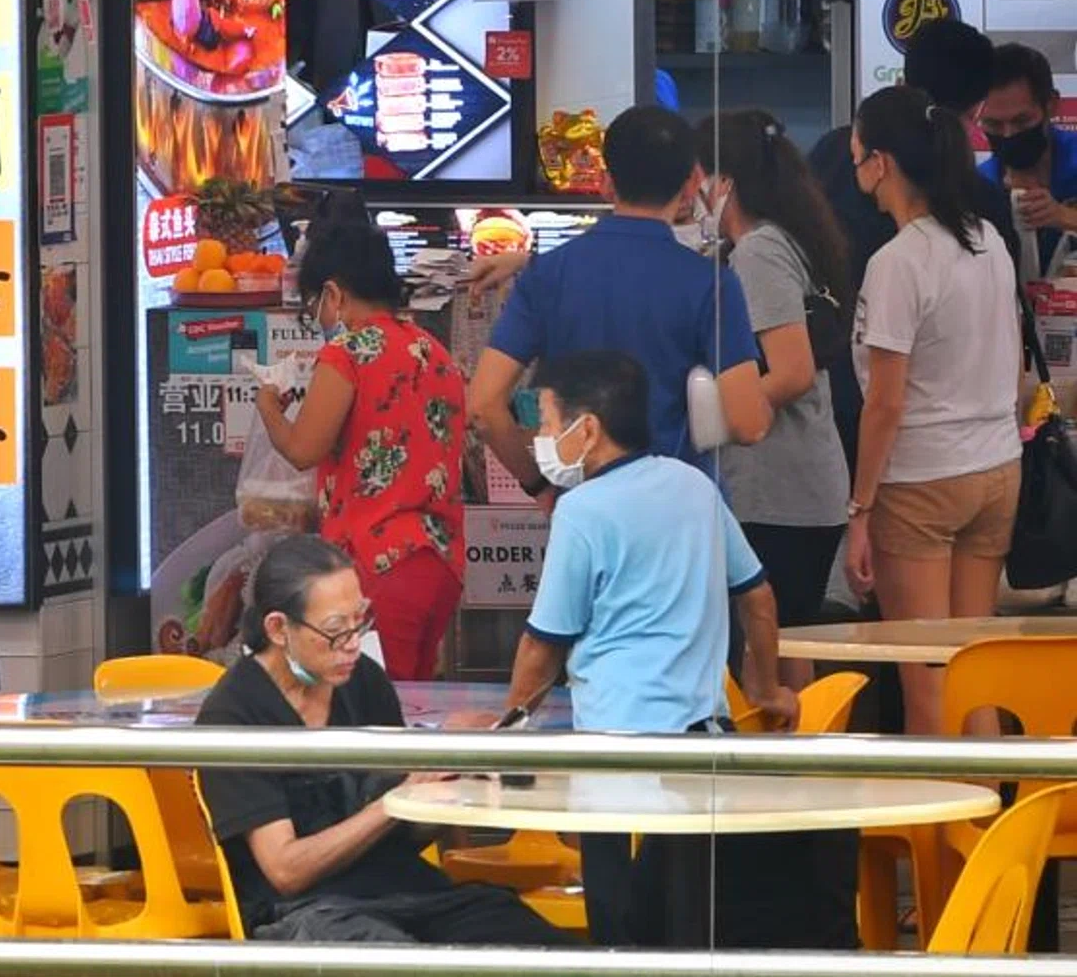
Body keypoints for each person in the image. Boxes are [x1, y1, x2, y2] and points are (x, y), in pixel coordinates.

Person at [506, 351, 798, 947]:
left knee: (621, 933)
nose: (539, 438)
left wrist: (508, 730)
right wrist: (766, 688)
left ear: (586, 430)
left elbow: (543, 646)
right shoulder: (695, 486)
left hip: (616, 759)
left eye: (545, 421)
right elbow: (758, 597)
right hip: (702, 752)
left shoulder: (582, 511)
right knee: (690, 928)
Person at [194, 535, 568, 948]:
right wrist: (398, 799)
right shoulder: (235, 715)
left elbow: (402, 830)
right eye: (336, 631)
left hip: (407, 890)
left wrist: (456, 771)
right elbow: (286, 869)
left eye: (361, 621)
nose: (354, 644)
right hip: (306, 911)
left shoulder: (362, 679)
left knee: (539, 946)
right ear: (279, 628)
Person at [468, 106, 771, 503]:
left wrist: (541, 488)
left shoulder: (546, 275)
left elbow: (483, 407)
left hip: (582, 510)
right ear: (692, 182)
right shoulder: (710, 284)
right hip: (679, 515)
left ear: (605, 182)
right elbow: (748, 424)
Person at [846, 86, 1022, 737]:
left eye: (857, 151)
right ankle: (995, 835)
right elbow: (1015, 365)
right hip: (997, 468)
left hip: (921, 482)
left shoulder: (897, 263)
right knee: (974, 673)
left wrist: (859, 510)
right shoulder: (987, 242)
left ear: (882, 163)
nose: (853, 164)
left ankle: (940, 840)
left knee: (926, 686)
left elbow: (886, 403)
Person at [252, 216, 467, 679]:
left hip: (378, 563)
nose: (320, 319)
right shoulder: (432, 349)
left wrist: (269, 406)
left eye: (315, 306)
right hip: (440, 561)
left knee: (376, 716)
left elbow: (304, 449)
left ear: (333, 293)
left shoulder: (347, 351)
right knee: (414, 703)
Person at [806, 18, 1019, 471]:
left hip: (841, 397)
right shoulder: (983, 203)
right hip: (952, 436)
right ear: (978, 109)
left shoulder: (832, 153)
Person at [698, 112, 852, 686]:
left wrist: (714, 414)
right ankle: (802, 762)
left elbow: (791, 371)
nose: (696, 195)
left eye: (702, 179)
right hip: (803, 489)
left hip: (779, 494)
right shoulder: (788, 239)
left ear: (726, 182)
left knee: (768, 651)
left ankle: (781, 768)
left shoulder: (759, 252)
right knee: (789, 646)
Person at [980, 42, 1075, 281]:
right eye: (994, 124)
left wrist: (1064, 216)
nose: (1009, 134)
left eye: (1022, 121)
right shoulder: (978, 185)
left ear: (1051, 105)